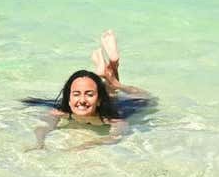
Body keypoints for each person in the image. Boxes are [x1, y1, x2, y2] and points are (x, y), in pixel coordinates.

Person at [22, 30, 153, 151]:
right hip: (102, 102)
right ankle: (108, 70)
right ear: (68, 98)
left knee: (129, 98)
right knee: (111, 95)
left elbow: (114, 138)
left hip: (116, 107)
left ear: (98, 100)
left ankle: (112, 78)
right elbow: (43, 128)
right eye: (76, 94)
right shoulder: (59, 112)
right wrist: (39, 143)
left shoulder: (114, 120)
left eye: (89, 95)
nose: (82, 100)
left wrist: (84, 146)